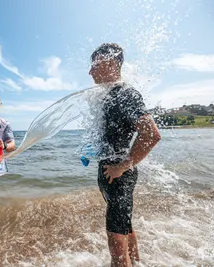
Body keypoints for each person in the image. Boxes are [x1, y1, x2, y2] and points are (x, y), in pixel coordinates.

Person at [89, 43, 161, 266]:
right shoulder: (110, 96)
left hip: (119, 176)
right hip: (114, 175)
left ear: (110, 64)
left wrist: (124, 165)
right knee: (125, 226)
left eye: (94, 66)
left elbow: (151, 133)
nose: (90, 72)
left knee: (116, 241)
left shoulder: (125, 94)